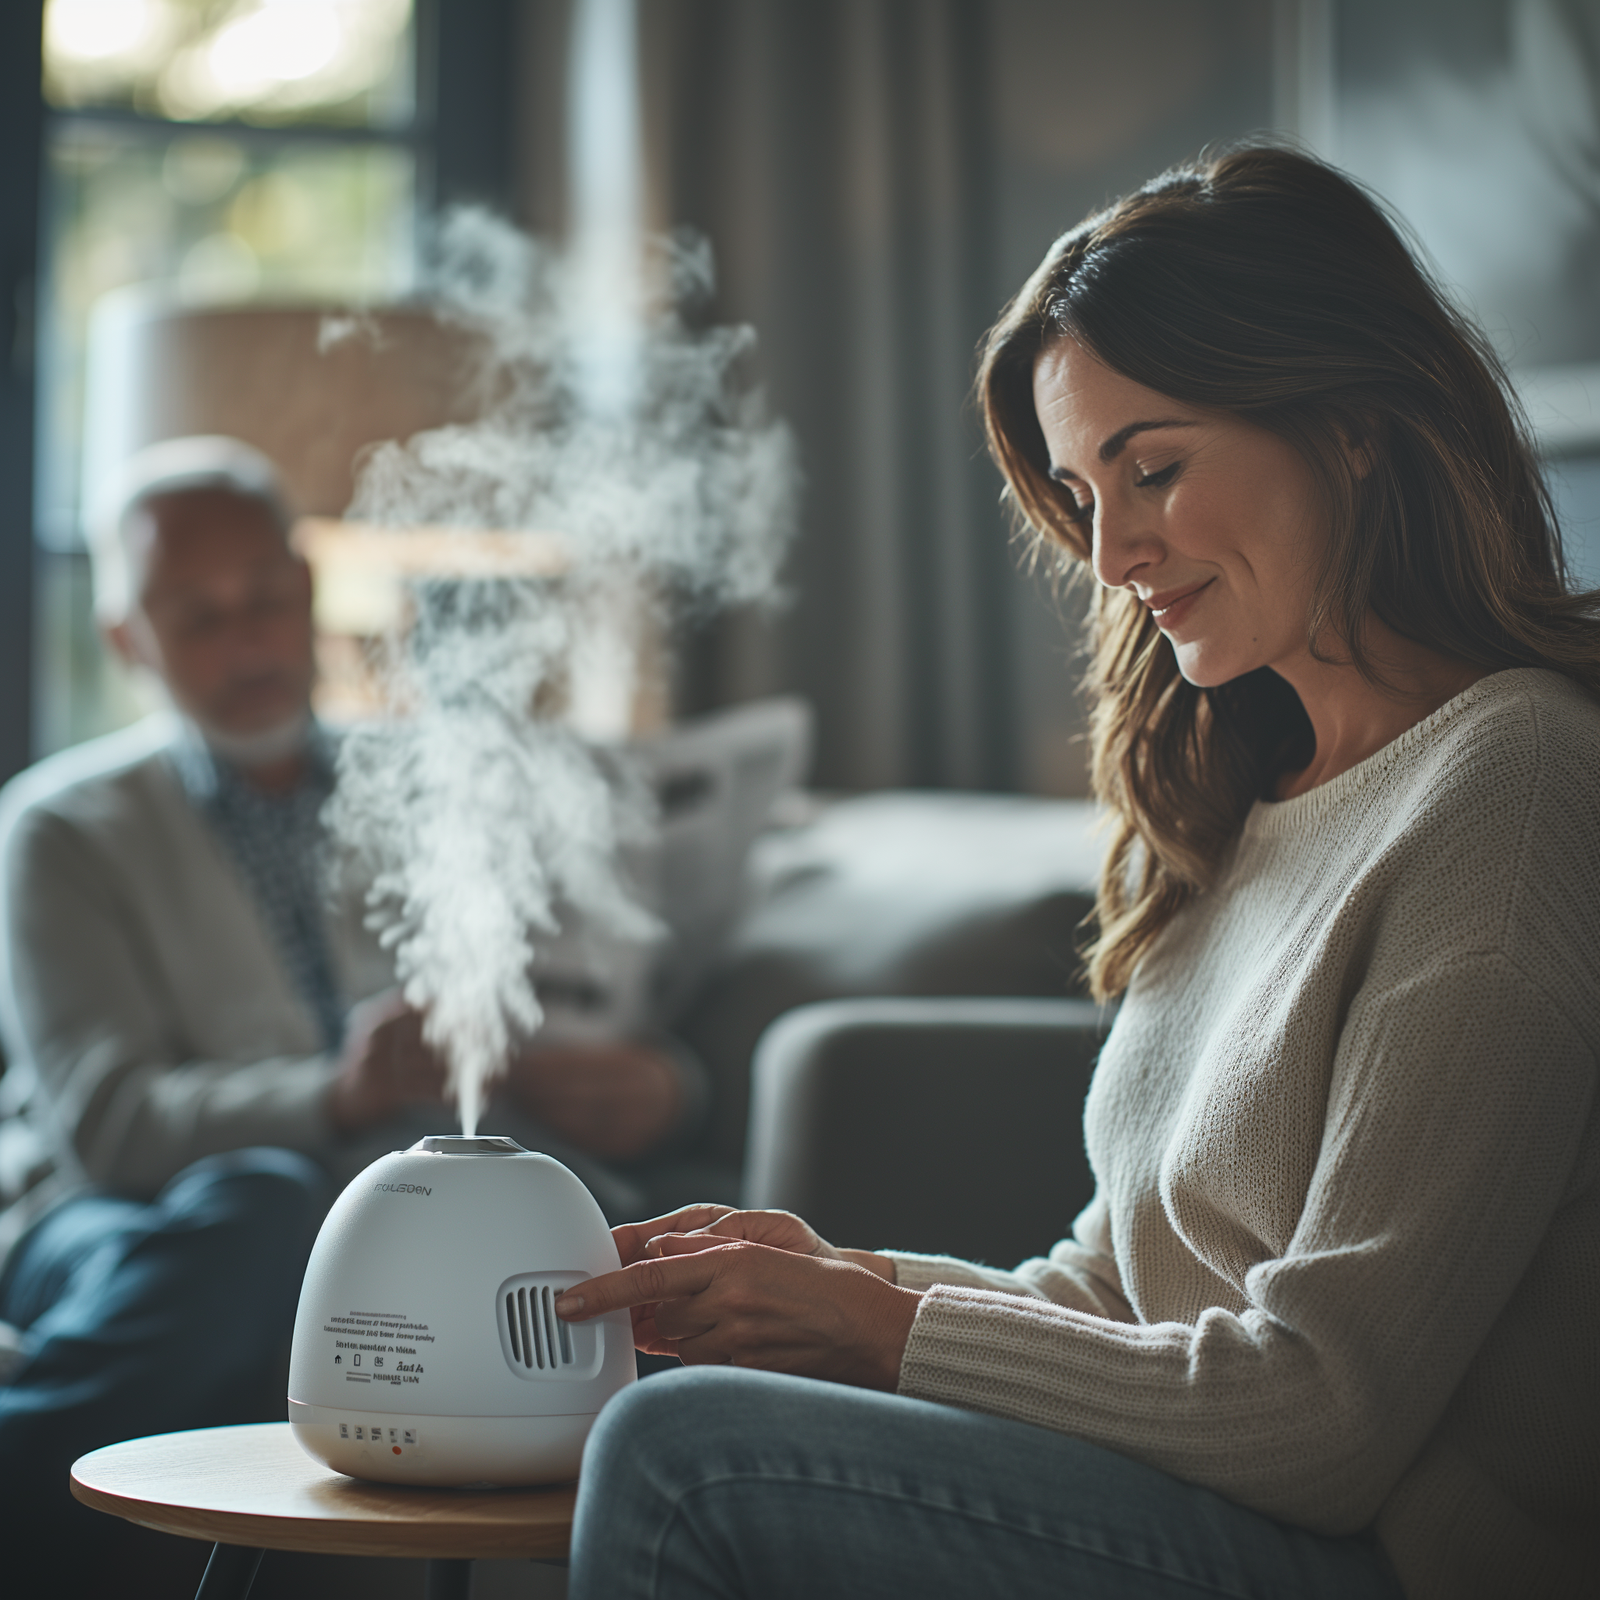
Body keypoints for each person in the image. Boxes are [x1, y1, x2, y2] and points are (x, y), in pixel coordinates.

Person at [552, 145, 1600, 1600]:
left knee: (687, 1457)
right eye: (1079, 492)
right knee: (682, 1404)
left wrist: (876, 1330)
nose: (1111, 554)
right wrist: (845, 1285)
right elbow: (1113, 1296)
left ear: (1354, 426)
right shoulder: (1244, 806)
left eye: (1153, 469)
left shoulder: (1514, 785)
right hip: (1230, 1512)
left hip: (1385, 1562)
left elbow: (1322, 1418)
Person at [0, 436, 702, 1584]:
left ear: (310, 588)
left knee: (663, 1253)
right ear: (127, 639)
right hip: (133, 1220)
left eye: (265, 598)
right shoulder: (65, 832)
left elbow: (604, 1015)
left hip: (411, 1224)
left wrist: (653, 1087)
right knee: (263, 1213)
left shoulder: (428, 786)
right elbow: (109, 1128)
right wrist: (339, 1093)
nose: (246, 641)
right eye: (199, 616)